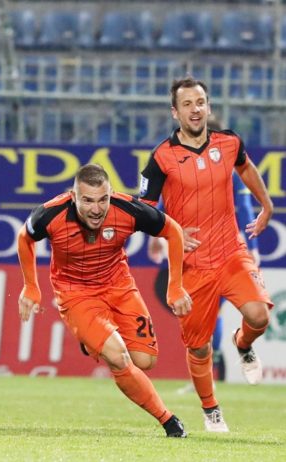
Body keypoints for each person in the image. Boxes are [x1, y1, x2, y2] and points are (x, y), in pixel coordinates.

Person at [17, 163, 192, 438]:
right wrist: (31, 286)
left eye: (102, 200)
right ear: (73, 197)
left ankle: (92, 342)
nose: (96, 209)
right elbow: (24, 237)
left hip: (120, 287)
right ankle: (168, 420)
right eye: (87, 201)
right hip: (76, 294)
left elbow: (173, 231)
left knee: (145, 361)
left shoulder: (128, 209)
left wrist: (176, 286)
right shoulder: (50, 214)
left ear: (110, 194)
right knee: (118, 357)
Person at [140, 76, 274, 433]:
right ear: (175, 112)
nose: (195, 109)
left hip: (230, 252)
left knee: (259, 315)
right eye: (187, 104)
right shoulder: (161, 157)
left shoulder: (229, 142)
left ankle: (242, 344)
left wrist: (266, 204)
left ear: (208, 106)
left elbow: (246, 167)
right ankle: (211, 409)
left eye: (200, 102)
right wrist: (171, 231)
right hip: (191, 265)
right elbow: (144, 210)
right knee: (199, 348)